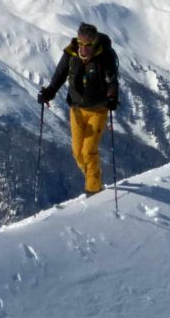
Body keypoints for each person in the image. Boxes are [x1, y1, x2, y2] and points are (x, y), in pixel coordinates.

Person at [38, 22, 120, 196]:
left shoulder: (103, 57)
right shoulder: (71, 54)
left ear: (95, 43)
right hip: (76, 110)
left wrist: (112, 97)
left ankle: (94, 189)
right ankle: (94, 177)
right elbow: (59, 76)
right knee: (77, 153)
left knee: (88, 150)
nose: (83, 48)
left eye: (87, 45)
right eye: (81, 43)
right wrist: (49, 93)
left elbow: (112, 81)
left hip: (98, 110)